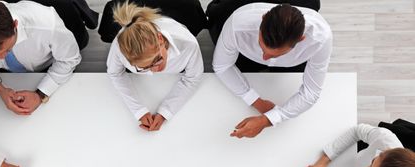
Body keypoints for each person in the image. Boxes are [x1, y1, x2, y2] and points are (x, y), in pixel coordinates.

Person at [212, 3, 332, 139]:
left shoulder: (321, 39)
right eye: (261, 45)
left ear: (301, 40)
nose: (264, 57)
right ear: (263, 19)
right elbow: (222, 66)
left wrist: (268, 120)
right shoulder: (237, 26)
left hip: (294, 61)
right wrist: (256, 101)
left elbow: (311, 92)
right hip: (244, 53)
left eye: (275, 54)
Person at [0, 0, 81, 116]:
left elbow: (69, 59)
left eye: (7, 49)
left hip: (46, 67)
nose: (0, 57)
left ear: (15, 24)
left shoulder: (47, 25)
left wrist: (40, 95)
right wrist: (0, 90)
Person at [107, 1, 204, 132]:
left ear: (160, 39)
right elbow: (115, 73)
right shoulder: (119, 48)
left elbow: (193, 78)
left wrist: (166, 111)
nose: (156, 70)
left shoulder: (189, 44)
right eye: (143, 68)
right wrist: (138, 110)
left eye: (157, 59)